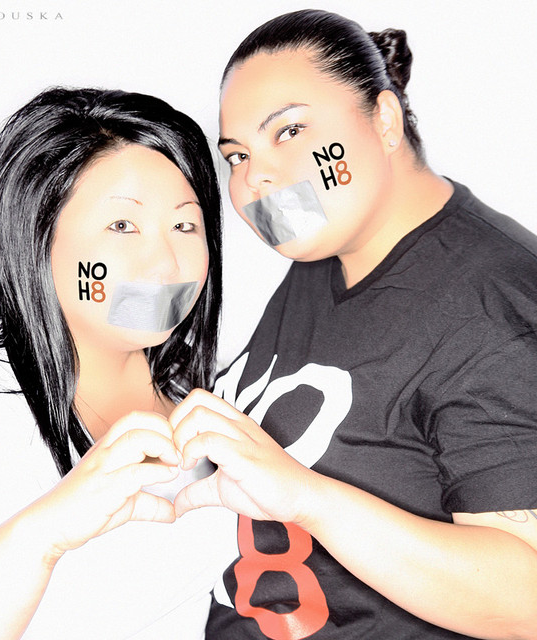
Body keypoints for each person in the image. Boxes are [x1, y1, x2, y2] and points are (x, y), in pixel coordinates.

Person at [168, 9, 537, 640]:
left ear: (384, 121)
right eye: (237, 155)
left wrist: (305, 497)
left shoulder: (495, 300)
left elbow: (527, 597)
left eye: (289, 131)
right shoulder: (327, 254)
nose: (254, 177)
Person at [0, 87, 236, 639]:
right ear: (39, 235)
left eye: (185, 226)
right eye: (122, 226)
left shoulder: (211, 396)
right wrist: (49, 531)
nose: (165, 263)